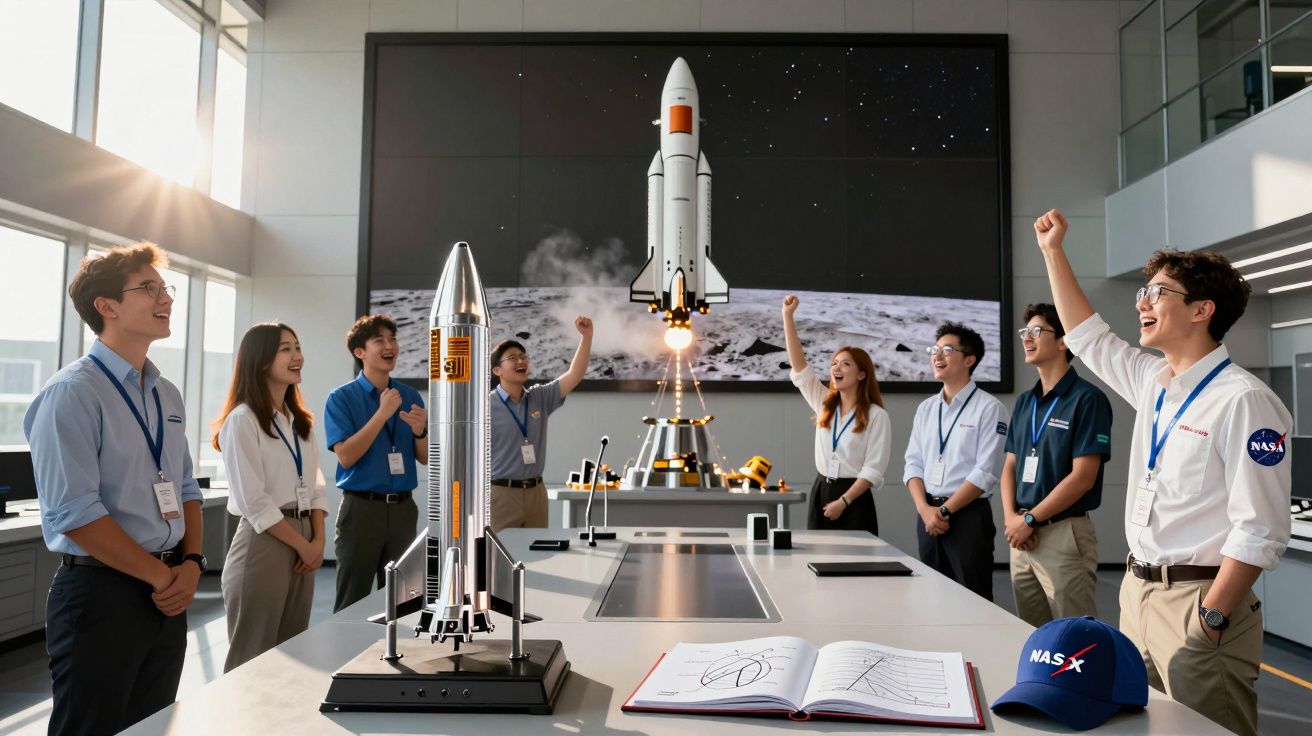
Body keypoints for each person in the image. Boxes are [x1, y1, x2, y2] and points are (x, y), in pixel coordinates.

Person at [1035, 208, 1290, 736]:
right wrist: (1052, 253)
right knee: (1142, 726)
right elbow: (1087, 338)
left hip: (1200, 602)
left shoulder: (1244, 400)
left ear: (1202, 310)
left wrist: (1212, 618)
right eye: (1142, 293)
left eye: (1158, 292)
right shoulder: (1154, 382)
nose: (1143, 303)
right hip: (1137, 594)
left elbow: (1260, 528)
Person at [24, 242, 205, 735]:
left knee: (151, 725)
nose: (165, 298)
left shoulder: (165, 392)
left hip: (167, 591)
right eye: (148, 289)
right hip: (101, 595)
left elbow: (186, 487)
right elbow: (76, 513)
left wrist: (190, 565)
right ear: (106, 306)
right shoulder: (73, 393)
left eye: (164, 287)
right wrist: (161, 576)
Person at [214, 323, 328, 671]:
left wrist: (318, 539)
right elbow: (253, 500)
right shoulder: (242, 420)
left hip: (305, 536)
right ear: (262, 361)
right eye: (286, 349)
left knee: (292, 656)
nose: (298, 357)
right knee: (252, 657)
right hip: (265, 541)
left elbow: (317, 486)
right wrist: (302, 544)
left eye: (298, 347)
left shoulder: (299, 422)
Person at [1000, 303, 1113, 627]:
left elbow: (1083, 478)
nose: (1027, 338)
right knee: (1032, 634)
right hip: (1020, 534)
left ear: (1064, 341)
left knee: (1073, 634)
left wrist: (1032, 518)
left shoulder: (1087, 399)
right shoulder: (1025, 401)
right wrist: (1012, 519)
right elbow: (1010, 466)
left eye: (1037, 331)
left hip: (1062, 533)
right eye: (1025, 332)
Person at [324, 314, 427, 612]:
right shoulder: (341, 398)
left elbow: (423, 457)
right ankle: (348, 656)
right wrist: (381, 414)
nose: (389, 346)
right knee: (352, 600)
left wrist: (421, 431)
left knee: (404, 600)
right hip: (361, 510)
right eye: (379, 340)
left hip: (403, 510)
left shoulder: (408, 395)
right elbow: (346, 455)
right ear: (360, 352)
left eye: (392, 339)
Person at [903, 322, 1008, 600]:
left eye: (947, 350)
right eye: (934, 350)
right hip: (927, 516)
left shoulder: (990, 408)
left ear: (969, 360)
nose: (937, 356)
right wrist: (925, 510)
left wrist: (944, 512)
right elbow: (913, 464)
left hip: (967, 517)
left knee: (972, 600)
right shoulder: (926, 409)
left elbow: (985, 472)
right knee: (930, 599)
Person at [781, 295, 891, 534]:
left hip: (854, 498)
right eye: (834, 363)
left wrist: (844, 501)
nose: (836, 368)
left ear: (862, 375)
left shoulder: (876, 415)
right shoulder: (824, 403)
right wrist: (787, 317)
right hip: (821, 490)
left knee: (854, 566)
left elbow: (873, 470)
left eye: (845, 364)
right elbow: (800, 368)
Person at [489, 316, 593, 531]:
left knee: (537, 556)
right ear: (497, 370)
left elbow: (575, 374)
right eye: (512, 358)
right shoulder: (484, 405)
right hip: (501, 494)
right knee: (499, 559)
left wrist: (587, 337)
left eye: (523, 356)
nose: (521, 361)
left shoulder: (539, 397)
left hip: (536, 491)